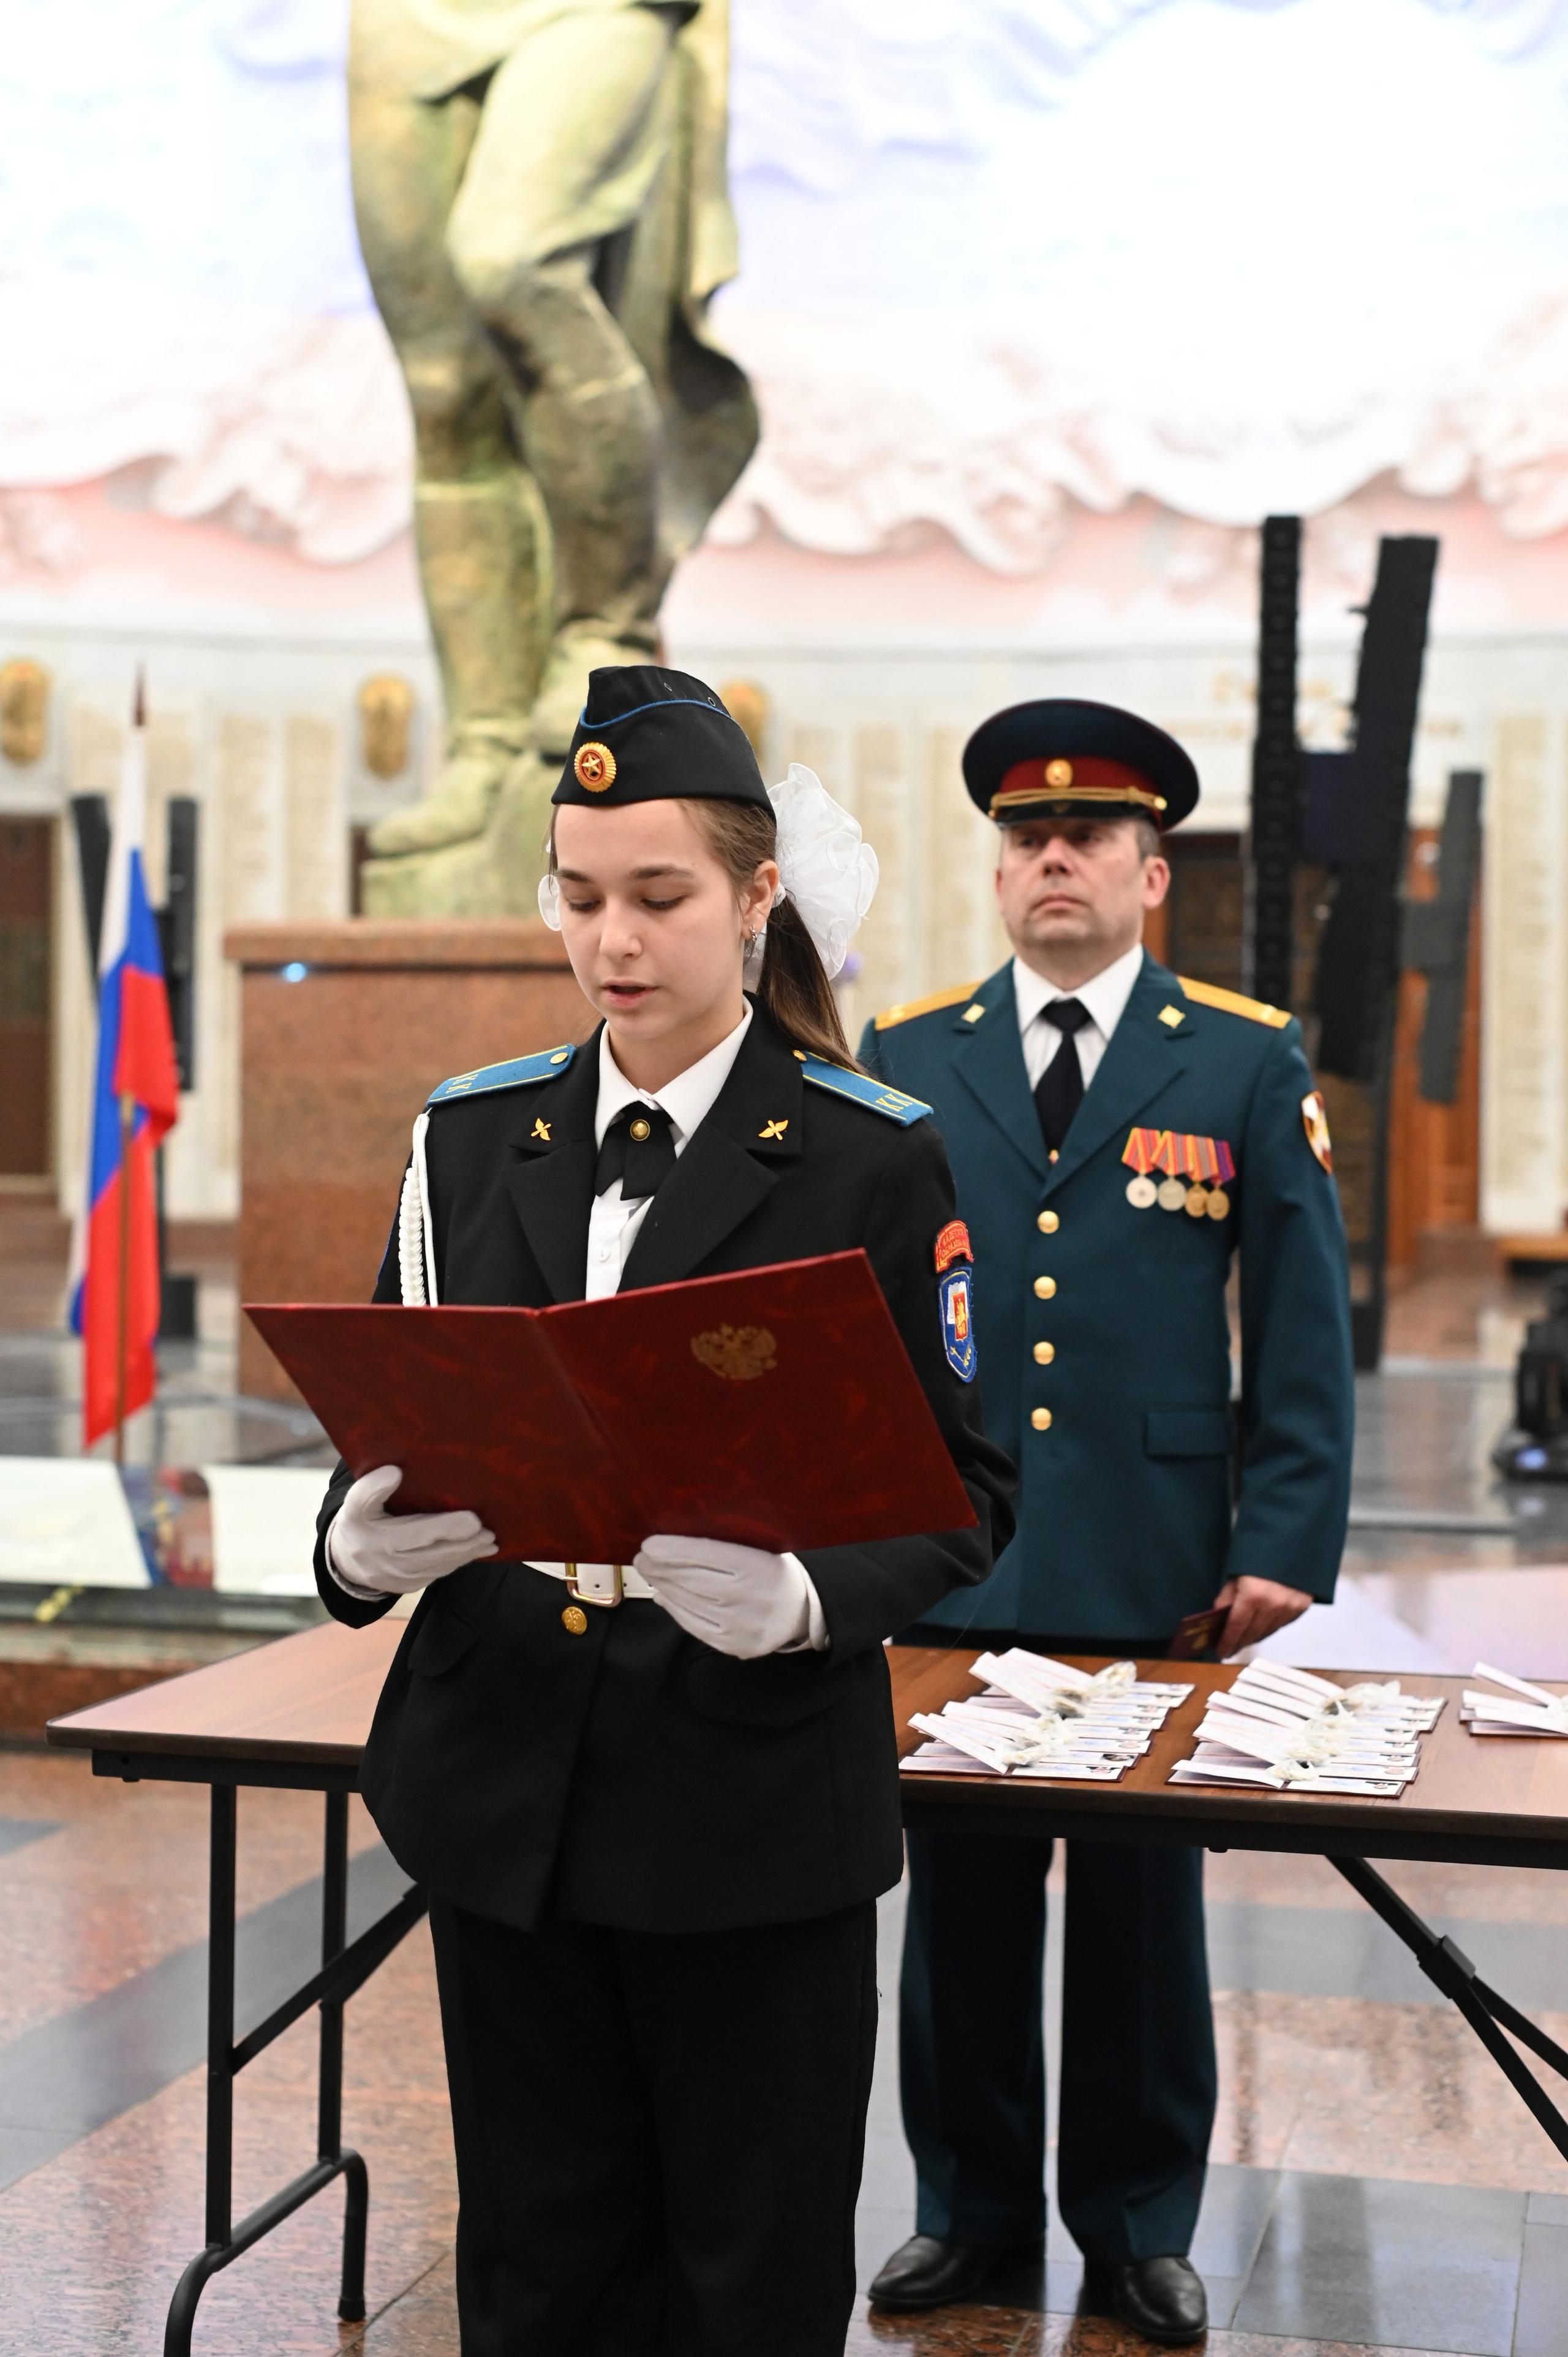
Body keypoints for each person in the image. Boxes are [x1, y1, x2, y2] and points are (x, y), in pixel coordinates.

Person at [312, 665, 1016, 2357]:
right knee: (536, 2268)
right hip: (506, 1787)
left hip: (744, 1795)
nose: (611, 941)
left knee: (746, 2274)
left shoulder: (866, 1158)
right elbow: (393, 1407)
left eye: (658, 896)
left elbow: (968, 1493)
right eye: (579, 898)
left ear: (757, 897)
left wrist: (808, 1600)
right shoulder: (469, 1138)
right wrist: (350, 1545)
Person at [859, 698, 1354, 2346]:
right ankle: (969, 2213)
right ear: (999, 874)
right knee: (962, 1914)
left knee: (1144, 1919)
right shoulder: (910, 1056)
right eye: (1026, 838)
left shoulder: (1241, 1054)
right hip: (962, 1552)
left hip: (1158, 1561)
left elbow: (1301, 1316)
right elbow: (871, 1317)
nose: (1052, 857)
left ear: (1152, 873)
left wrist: (1286, 1535)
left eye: (1087, 836)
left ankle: (1141, 2228)